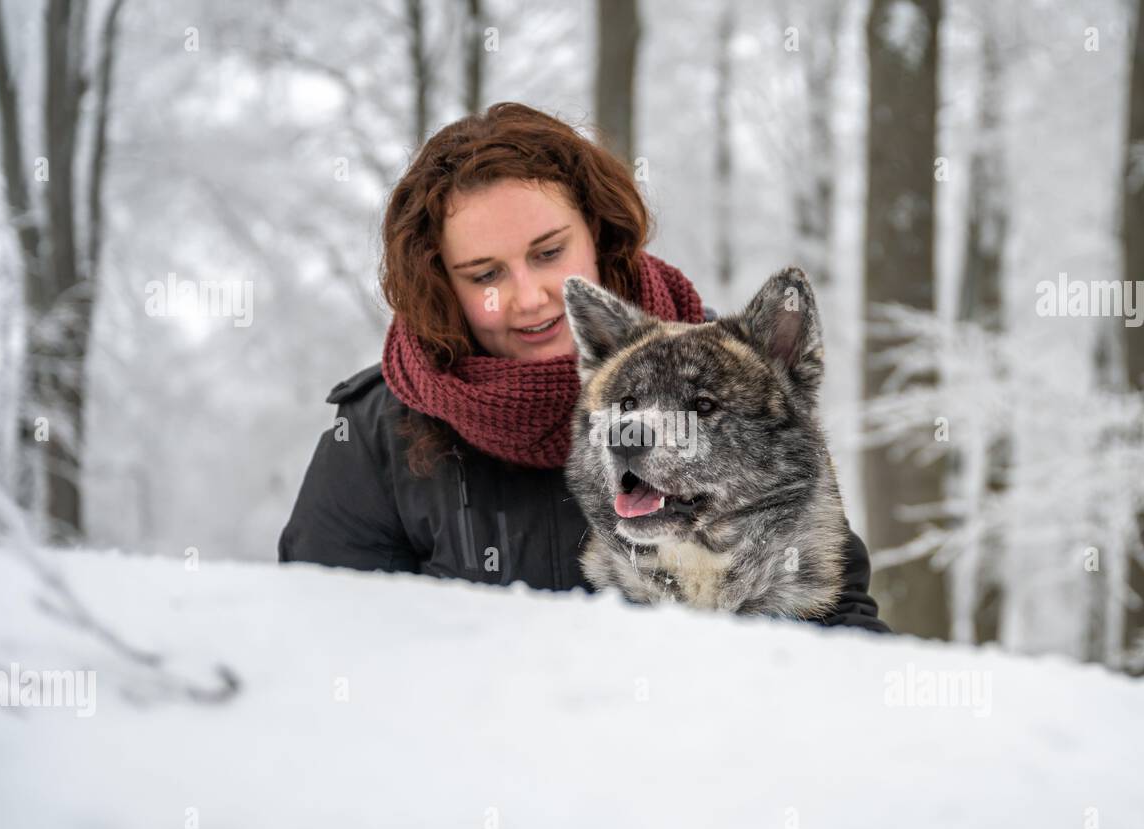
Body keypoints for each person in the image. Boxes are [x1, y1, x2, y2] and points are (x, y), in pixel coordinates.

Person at [278, 102, 889, 633]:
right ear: (443, 283)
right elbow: (326, 647)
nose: (530, 296)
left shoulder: (744, 386)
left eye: (549, 253)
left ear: (597, 232)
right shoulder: (374, 432)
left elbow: (833, 618)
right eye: (485, 274)